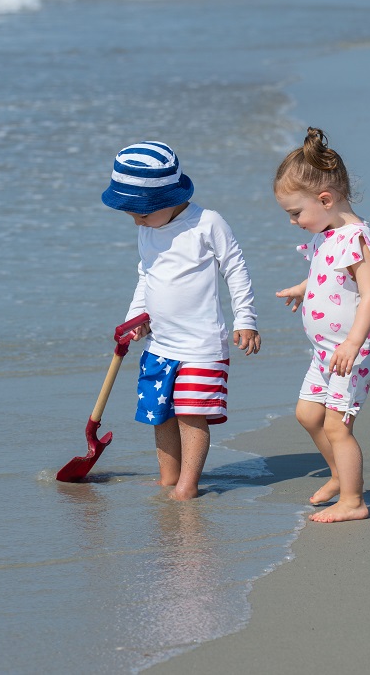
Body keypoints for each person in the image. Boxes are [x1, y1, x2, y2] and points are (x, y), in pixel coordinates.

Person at [102, 140, 261, 500]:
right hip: (161, 344)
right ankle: (168, 477)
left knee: (191, 414)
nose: (136, 221)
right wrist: (135, 318)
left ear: (169, 199)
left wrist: (245, 319)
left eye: (141, 213)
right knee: (161, 414)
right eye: (131, 215)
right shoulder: (148, 230)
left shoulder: (207, 224)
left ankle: (188, 486)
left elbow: (235, 270)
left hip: (201, 345)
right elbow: (147, 276)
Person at [274, 127, 370, 522]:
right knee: (308, 415)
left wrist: (353, 343)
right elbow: (325, 273)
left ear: (325, 199)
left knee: (337, 426)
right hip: (326, 352)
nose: (293, 222)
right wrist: (302, 289)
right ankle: (341, 476)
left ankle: (354, 501)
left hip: (351, 352)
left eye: (295, 213)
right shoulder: (326, 235)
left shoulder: (356, 238)